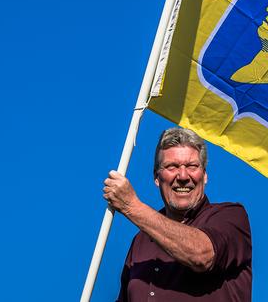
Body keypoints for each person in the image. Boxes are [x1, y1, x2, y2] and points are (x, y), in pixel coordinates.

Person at [103, 127, 252, 300]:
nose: (182, 176)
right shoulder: (140, 242)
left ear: (204, 176)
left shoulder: (230, 216)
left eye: (192, 166)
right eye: (172, 166)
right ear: (157, 178)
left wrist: (131, 206)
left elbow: (202, 255)